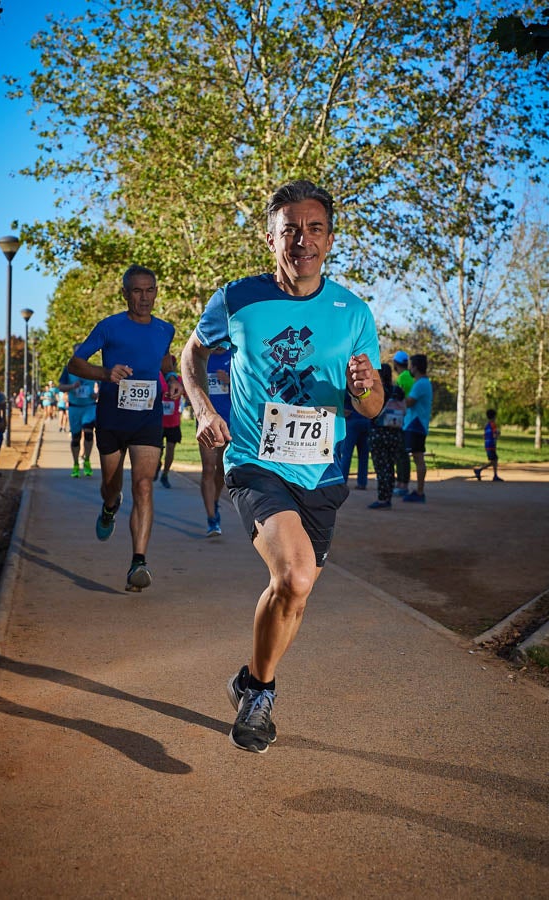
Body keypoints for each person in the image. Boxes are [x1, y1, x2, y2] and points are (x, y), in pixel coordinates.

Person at [181, 179, 383, 754]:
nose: (303, 240)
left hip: (322, 474)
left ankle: (249, 681)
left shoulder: (353, 312)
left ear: (330, 239)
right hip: (255, 462)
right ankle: (263, 694)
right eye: (290, 230)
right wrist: (203, 408)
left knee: (295, 594)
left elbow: (371, 405)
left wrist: (366, 387)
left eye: (315, 229)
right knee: (293, 575)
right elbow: (191, 354)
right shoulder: (237, 299)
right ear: (271, 239)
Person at [67, 265, 182, 592]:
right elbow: (75, 363)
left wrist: (171, 377)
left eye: (150, 290)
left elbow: (164, 359)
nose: (144, 298)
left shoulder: (165, 329)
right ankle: (109, 508)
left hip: (148, 418)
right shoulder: (109, 327)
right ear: (125, 294)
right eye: (137, 291)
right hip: (112, 418)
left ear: (156, 292)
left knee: (144, 485)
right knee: (111, 486)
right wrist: (105, 373)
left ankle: (138, 562)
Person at [199, 344, 231, 537]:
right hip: (207, 423)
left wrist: (230, 381)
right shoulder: (202, 357)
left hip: (229, 423)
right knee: (208, 469)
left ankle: (215, 499)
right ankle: (212, 518)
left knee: (222, 470)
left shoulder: (234, 356)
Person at [367, 363, 406, 509]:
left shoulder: (376, 391)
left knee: (381, 467)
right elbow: (404, 410)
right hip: (395, 433)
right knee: (390, 466)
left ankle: (382, 498)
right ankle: (388, 496)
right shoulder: (398, 391)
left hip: (378, 433)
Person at [59, 346, 98, 477]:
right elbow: (60, 387)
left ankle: (87, 460)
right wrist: (71, 386)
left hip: (89, 406)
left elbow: (103, 386)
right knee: (76, 438)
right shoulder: (68, 369)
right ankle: (76, 463)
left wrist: (96, 395)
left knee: (88, 432)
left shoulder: (93, 369)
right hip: (75, 407)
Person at [402, 353, 433, 503]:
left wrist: (399, 398)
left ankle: (420, 492)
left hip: (416, 425)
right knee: (416, 457)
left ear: (416, 367)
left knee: (418, 458)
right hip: (417, 424)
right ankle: (419, 491)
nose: (410, 369)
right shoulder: (423, 383)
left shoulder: (421, 384)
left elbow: (409, 402)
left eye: (411, 366)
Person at [156, 355, 183, 489]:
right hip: (158, 422)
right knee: (158, 450)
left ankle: (165, 474)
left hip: (173, 422)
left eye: (173, 364)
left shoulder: (179, 380)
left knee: (170, 449)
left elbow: (187, 394)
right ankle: (156, 465)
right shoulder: (157, 377)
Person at [392, 350, 414, 496]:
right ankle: (402, 482)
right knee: (403, 453)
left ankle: (402, 483)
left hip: (402, 421)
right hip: (410, 419)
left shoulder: (401, 378)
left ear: (396, 363)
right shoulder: (411, 377)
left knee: (401, 454)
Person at [340, 394, 371, 489]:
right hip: (365, 420)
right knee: (363, 455)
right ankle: (362, 483)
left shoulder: (348, 388)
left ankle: (342, 482)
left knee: (346, 454)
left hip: (352, 420)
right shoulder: (367, 387)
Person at [474, 409, 503, 482]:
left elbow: (484, 436)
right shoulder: (493, 425)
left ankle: (495, 475)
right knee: (493, 461)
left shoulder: (487, 425)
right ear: (494, 416)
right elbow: (495, 435)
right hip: (491, 444)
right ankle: (479, 470)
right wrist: (498, 434)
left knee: (494, 459)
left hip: (487, 444)